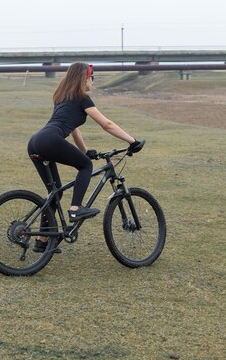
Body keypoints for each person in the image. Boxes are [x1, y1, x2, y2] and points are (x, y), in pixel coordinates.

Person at [27, 62, 142, 253]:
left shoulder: (61, 98)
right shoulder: (82, 99)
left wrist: (85, 150)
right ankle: (75, 209)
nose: (93, 81)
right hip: (49, 140)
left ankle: (42, 240)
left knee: (55, 192)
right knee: (86, 166)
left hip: (35, 142)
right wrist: (133, 141)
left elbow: (73, 130)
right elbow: (107, 124)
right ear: (84, 78)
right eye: (92, 76)